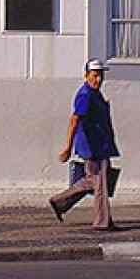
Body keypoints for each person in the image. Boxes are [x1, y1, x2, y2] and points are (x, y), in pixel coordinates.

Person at [49, 58, 119, 231]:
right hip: (92, 148)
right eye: (95, 75)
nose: (98, 80)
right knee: (100, 183)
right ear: (86, 76)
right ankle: (102, 223)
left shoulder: (95, 94)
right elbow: (74, 120)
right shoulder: (85, 95)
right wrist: (67, 147)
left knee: (94, 181)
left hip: (101, 145)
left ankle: (59, 202)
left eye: (100, 76)